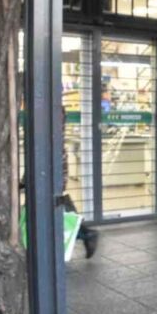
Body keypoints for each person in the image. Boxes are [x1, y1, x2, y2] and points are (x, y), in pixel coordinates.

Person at [62, 106, 99, 258]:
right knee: (60, 210)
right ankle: (86, 233)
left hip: (54, 174)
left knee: (59, 213)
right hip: (57, 173)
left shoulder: (51, 117)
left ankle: (86, 233)